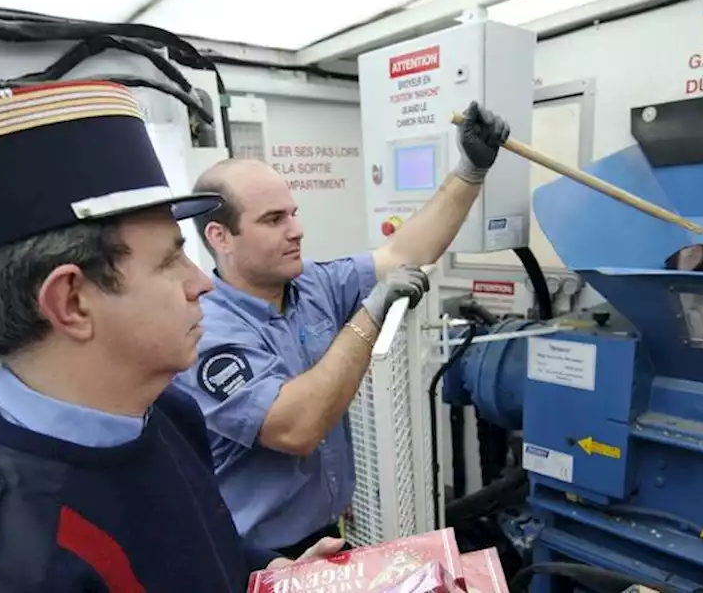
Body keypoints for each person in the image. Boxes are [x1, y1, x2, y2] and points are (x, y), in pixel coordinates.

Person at [0, 81, 354, 592]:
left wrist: (268, 574)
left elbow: (203, 544)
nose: (200, 282)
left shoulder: (165, 412)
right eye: (168, 260)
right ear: (71, 302)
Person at [175, 101, 511, 561]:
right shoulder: (206, 330)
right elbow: (297, 426)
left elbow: (402, 253)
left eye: (292, 213)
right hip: (256, 556)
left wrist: (469, 171)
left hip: (327, 533)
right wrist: (368, 317)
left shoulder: (311, 284)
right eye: (274, 220)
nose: (297, 230)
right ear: (219, 237)